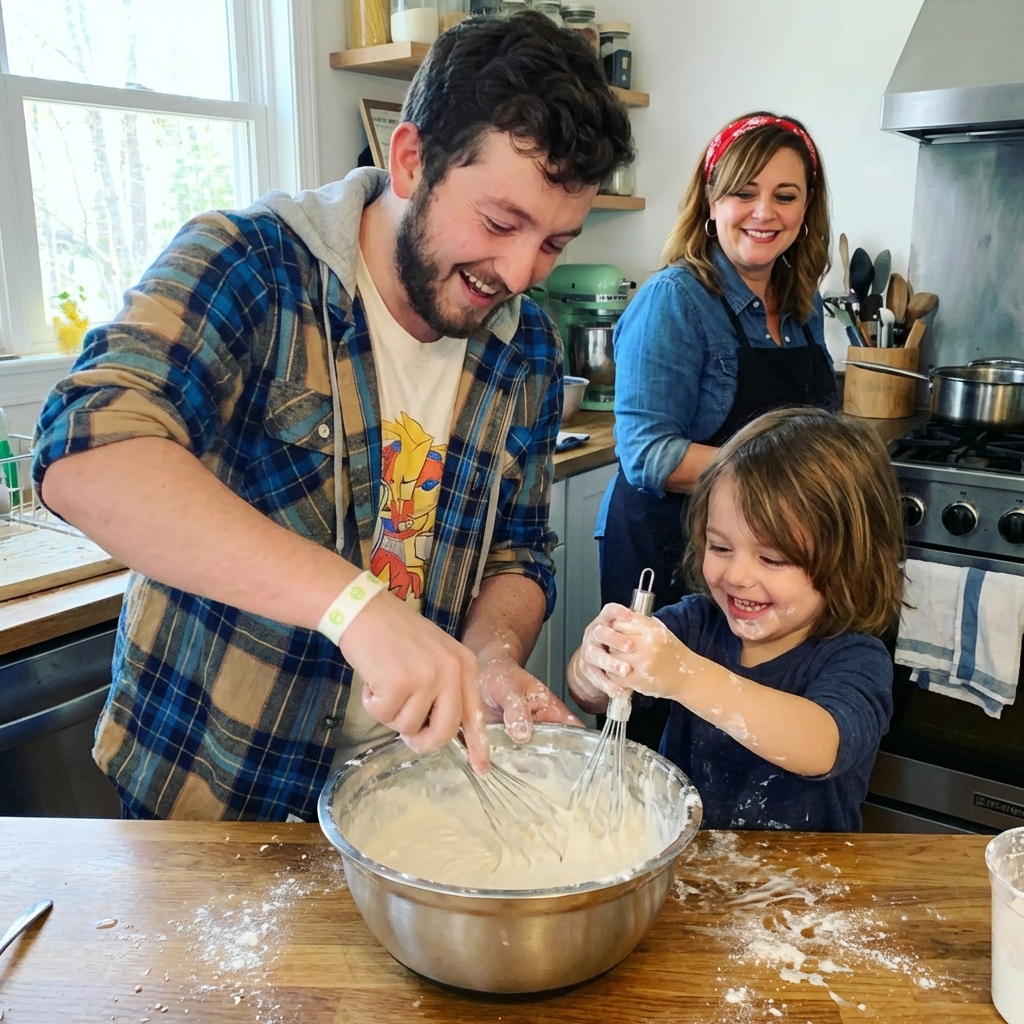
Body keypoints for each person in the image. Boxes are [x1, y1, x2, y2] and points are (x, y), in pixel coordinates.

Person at [31, 12, 634, 821]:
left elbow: (518, 552)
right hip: (212, 796)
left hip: (406, 797)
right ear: (411, 161)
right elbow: (85, 452)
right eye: (499, 223)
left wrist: (491, 659)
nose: (521, 272)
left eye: (555, 243)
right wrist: (353, 606)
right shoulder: (249, 268)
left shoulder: (523, 343)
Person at [597, 112, 838, 750]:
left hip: (766, 560)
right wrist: (785, 480)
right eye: (743, 192)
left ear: (807, 207)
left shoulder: (799, 306)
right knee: (654, 729)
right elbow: (649, 455)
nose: (764, 212)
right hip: (672, 555)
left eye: (785, 196)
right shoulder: (676, 299)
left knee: (748, 728)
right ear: (710, 201)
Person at [569, 408, 904, 831]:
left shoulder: (854, 658)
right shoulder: (693, 624)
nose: (738, 576)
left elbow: (823, 746)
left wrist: (686, 676)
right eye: (721, 548)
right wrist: (594, 661)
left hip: (805, 886)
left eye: (772, 558)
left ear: (846, 561)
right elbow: (590, 697)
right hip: (691, 868)